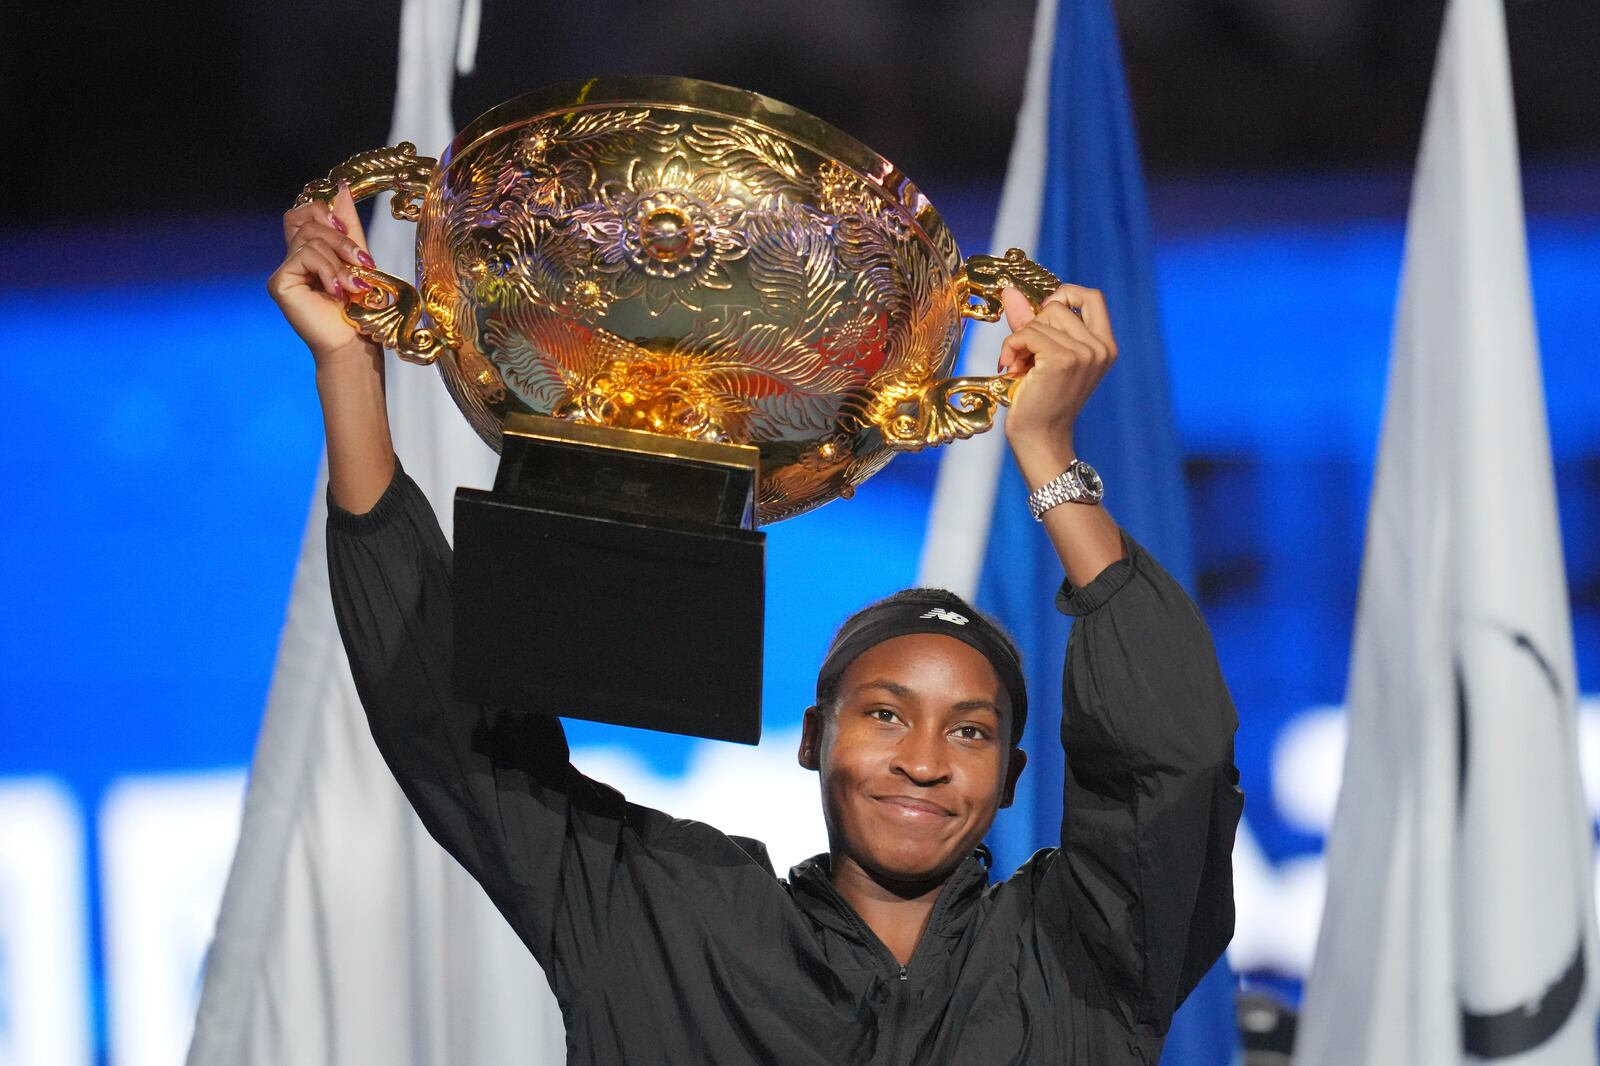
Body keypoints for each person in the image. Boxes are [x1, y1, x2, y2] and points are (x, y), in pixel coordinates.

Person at [268, 183, 1243, 1065]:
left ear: (1010, 778)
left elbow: (1177, 755)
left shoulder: (1084, 957)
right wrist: (349, 367)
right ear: (815, 738)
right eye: (887, 714)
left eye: (972, 730)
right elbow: (448, 737)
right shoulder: (666, 918)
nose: (925, 758)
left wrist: (1046, 452)